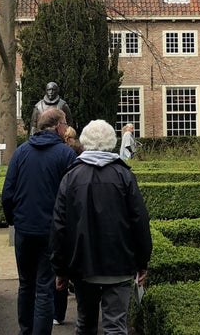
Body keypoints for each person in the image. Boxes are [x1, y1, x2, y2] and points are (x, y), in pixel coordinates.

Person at [51, 119, 152, 335]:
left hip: (82, 265)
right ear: (111, 142)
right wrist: (142, 261)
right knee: (115, 326)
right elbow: (140, 221)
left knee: (85, 323)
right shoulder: (124, 175)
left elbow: (60, 226)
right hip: (119, 264)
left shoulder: (71, 176)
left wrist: (60, 269)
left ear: (85, 142)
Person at [1, 108, 77, 335]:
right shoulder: (66, 154)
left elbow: (7, 193)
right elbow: (73, 197)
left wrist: (14, 220)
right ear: (58, 126)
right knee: (45, 287)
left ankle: (25, 331)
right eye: (64, 124)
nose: (65, 129)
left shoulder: (21, 152)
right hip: (51, 232)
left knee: (25, 285)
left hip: (24, 229)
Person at [53, 126, 83, 326]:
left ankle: (58, 314)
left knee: (60, 265)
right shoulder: (79, 157)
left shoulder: (59, 155)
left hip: (61, 214)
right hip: (77, 218)